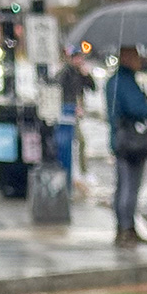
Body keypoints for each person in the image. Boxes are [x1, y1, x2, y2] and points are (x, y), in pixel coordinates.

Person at [105, 46, 147, 247]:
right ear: (127, 58)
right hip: (130, 141)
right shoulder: (125, 82)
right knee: (129, 187)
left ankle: (125, 228)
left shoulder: (114, 81)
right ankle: (126, 229)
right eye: (136, 56)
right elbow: (137, 107)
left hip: (120, 139)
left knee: (123, 186)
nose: (139, 60)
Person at [55, 46, 95, 193]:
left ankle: (81, 172)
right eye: (76, 57)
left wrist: (86, 75)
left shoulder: (79, 72)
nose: (79, 60)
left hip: (75, 113)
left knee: (78, 143)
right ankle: (77, 174)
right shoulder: (65, 72)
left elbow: (92, 87)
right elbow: (58, 89)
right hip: (68, 114)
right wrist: (72, 106)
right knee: (77, 141)